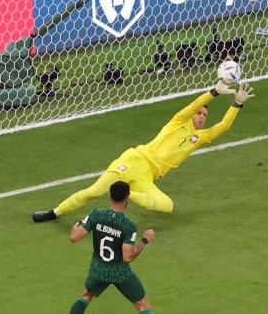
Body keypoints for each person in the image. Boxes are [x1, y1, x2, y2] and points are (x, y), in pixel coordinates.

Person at [32, 81, 255, 220]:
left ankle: (125, 196)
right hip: (134, 160)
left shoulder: (201, 137)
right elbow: (193, 104)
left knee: (167, 206)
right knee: (94, 191)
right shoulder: (178, 121)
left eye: (205, 116)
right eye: (199, 113)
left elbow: (223, 126)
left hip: (147, 176)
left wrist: (237, 104)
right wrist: (214, 92)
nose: (201, 116)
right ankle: (55, 212)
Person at [50, 181, 177, 314]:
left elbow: (74, 237)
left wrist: (76, 224)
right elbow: (127, 257)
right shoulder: (128, 225)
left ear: (110, 196)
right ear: (127, 198)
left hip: (98, 270)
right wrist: (144, 241)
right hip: (119, 273)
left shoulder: (96, 214)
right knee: (142, 305)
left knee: (85, 296)